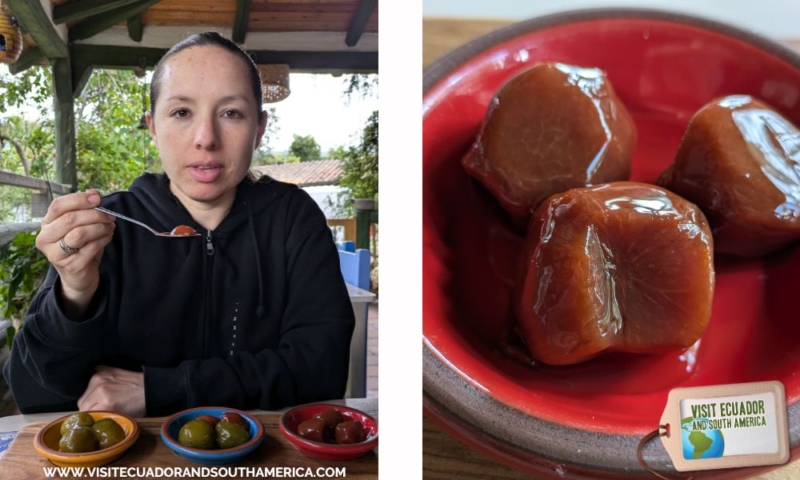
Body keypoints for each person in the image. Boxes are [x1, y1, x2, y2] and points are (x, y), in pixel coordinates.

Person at [2, 32, 355, 417]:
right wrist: (73, 292)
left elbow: (322, 373)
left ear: (259, 128)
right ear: (153, 126)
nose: (206, 139)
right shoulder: (109, 226)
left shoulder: (292, 219)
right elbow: (34, 395)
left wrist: (163, 388)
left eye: (231, 113)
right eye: (182, 112)